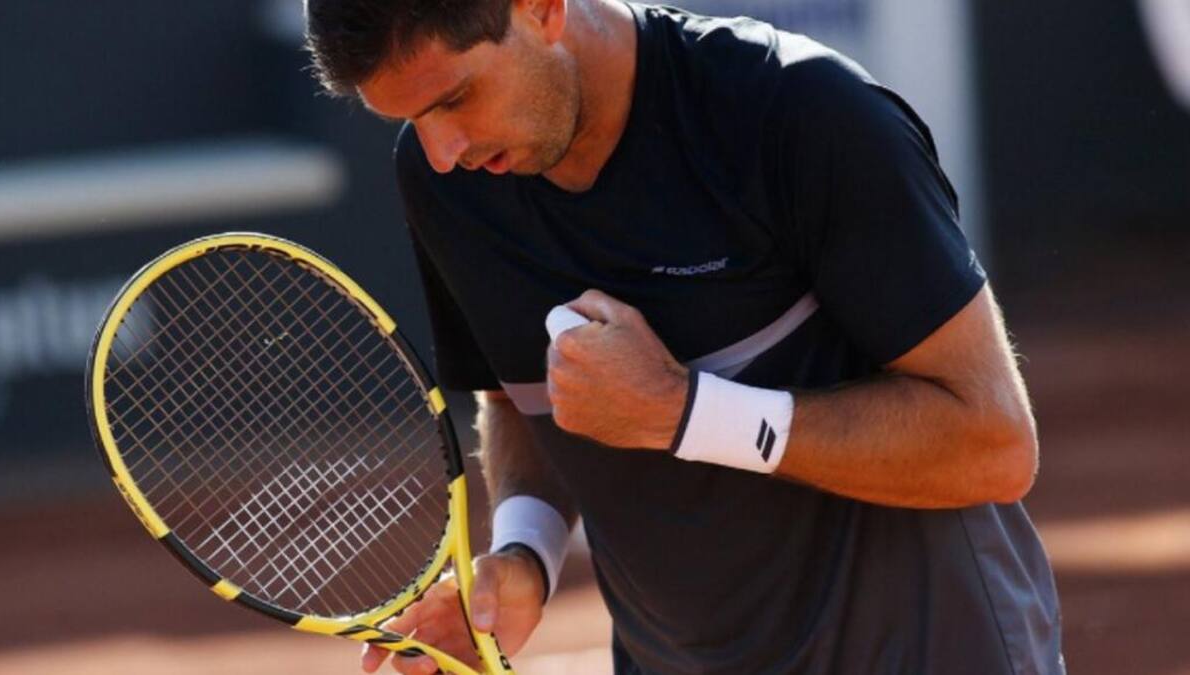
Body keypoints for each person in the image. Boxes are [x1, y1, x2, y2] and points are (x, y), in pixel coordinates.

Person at [304, 0, 1064, 672]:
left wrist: (686, 412)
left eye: (458, 98)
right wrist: (522, 557)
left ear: (541, 8)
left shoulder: (801, 112)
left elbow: (993, 441)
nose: (444, 151)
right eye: (411, 121)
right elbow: (526, 398)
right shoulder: (447, 180)